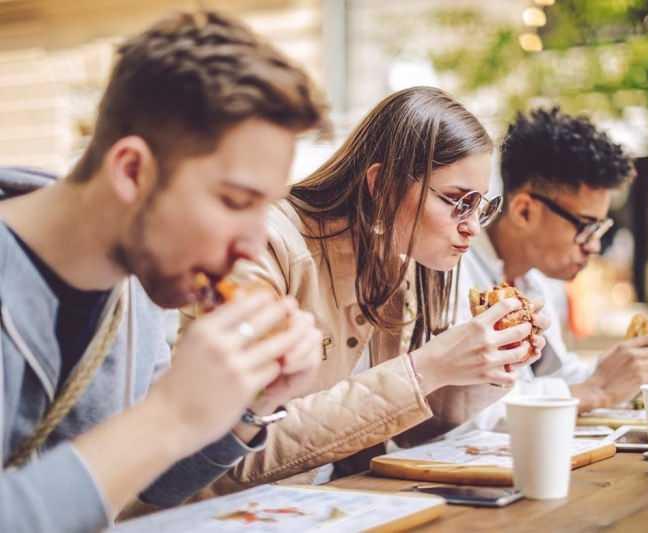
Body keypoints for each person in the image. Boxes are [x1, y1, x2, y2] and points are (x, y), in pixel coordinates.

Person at [0, 11, 327, 532]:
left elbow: (156, 481)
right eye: (235, 201)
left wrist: (248, 404)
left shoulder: (142, 284)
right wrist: (171, 414)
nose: (253, 244)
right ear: (131, 170)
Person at [195, 86, 549, 491]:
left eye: (480, 205)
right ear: (381, 185)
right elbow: (231, 456)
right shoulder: (265, 247)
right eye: (456, 201)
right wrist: (425, 368)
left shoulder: (406, 255)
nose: (472, 225)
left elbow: (410, 434)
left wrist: (484, 367)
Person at [457, 108, 648, 420]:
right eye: (585, 227)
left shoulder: (535, 283)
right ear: (525, 211)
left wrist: (633, 369)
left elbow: (557, 375)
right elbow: (463, 410)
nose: (593, 246)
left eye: (599, 230)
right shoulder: (455, 276)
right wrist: (597, 388)